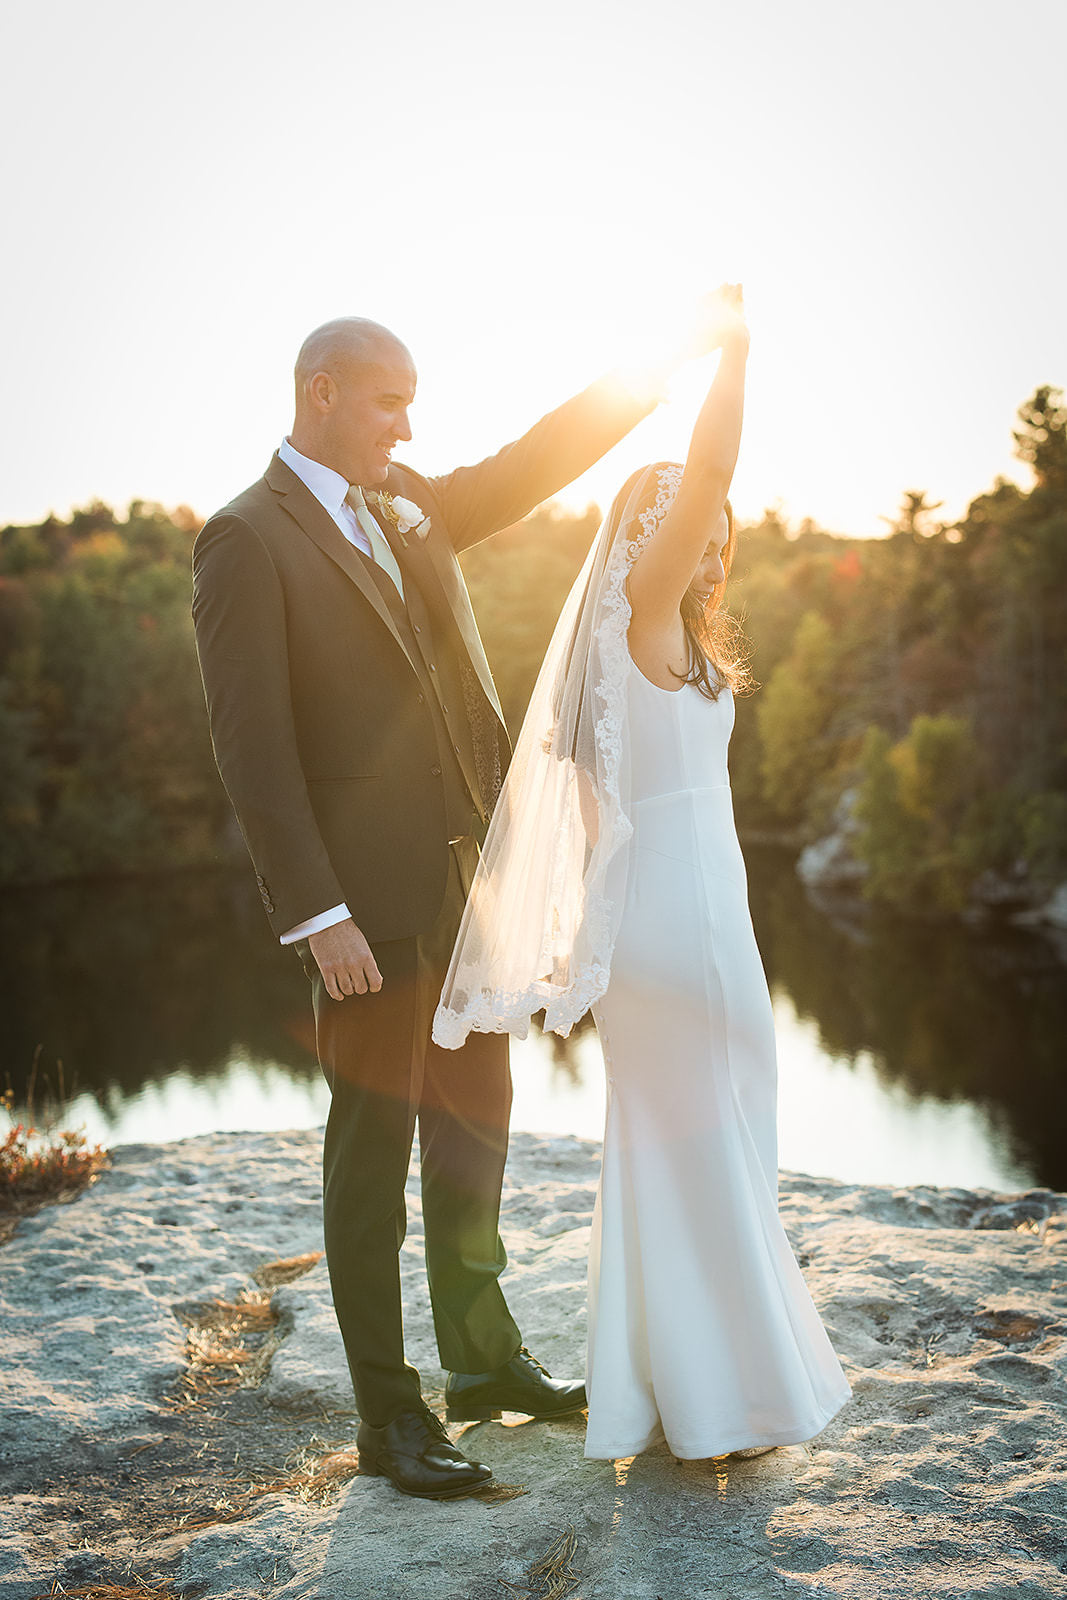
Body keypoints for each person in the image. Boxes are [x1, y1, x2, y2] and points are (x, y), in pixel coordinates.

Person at [191, 314, 713, 1499]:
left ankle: (482, 1367)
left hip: (467, 890)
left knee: (476, 1126)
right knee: (369, 1158)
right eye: (389, 403)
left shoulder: (408, 501)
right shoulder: (243, 540)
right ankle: (389, 1419)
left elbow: (529, 463)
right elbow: (253, 751)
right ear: (320, 392)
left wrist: (659, 370)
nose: (409, 426)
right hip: (361, 915)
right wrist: (315, 913)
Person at [434, 286, 852, 1461]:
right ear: (646, 536)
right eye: (690, 527)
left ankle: (678, 1399)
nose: (712, 541)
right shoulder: (640, 613)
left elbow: (585, 819)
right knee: (710, 1144)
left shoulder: (646, 655)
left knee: (686, 1149)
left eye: (714, 535)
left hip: (683, 920)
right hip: (687, 925)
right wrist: (732, 356)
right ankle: (729, 1402)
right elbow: (709, 469)